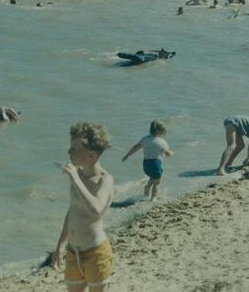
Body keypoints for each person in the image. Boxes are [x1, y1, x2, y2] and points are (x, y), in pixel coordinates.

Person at [52, 122, 114, 292]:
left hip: (96, 253)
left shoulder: (104, 180)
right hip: (73, 252)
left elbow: (97, 211)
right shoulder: (77, 175)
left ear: (91, 156)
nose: (69, 152)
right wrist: (60, 245)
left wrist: (75, 179)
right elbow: (73, 211)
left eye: (74, 149)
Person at [122, 120, 173, 200]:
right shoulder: (162, 142)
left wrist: (127, 155)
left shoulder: (145, 139)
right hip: (155, 164)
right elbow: (167, 153)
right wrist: (171, 153)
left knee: (152, 177)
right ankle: (153, 198)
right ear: (161, 131)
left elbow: (136, 147)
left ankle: (146, 191)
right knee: (157, 183)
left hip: (146, 164)